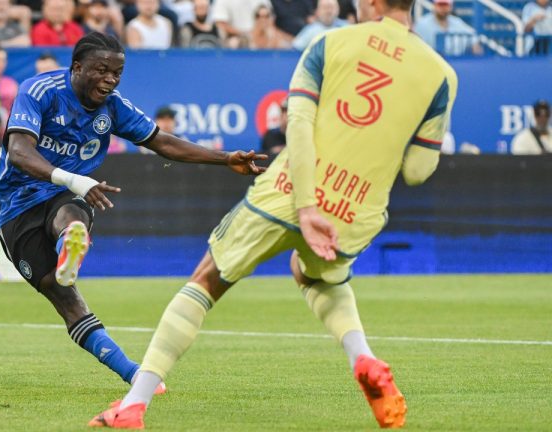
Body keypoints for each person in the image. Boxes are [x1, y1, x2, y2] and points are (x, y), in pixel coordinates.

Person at [89, 0, 458, 425]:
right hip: (356, 208)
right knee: (314, 274)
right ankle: (365, 358)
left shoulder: (331, 42)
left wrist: (306, 206)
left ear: (371, 3)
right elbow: (417, 170)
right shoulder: (441, 75)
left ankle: (134, 405)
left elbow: (296, 126)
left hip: (285, 192)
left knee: (206, 281)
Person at [0, 32, 265, 397]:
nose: (110, 80)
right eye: (101, 70)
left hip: (66, 193)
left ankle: (133, 372)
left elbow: (162, 141)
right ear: (76, 67)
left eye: (117, 73)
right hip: (14, 203)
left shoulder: (114, 107)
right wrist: (77, 178)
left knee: (71, 212)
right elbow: (20, 151)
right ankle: (69, 250)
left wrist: (225, 158)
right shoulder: (40, 91)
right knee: (63, 296)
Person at [413, 0, 481, 56]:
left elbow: (474, 40)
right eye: (440, 5)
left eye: (445, 5)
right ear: (434, 5)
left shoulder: (457, 22)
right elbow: (415, 47)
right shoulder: (422, 24)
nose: (443, 8)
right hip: (431, 64)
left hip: (457, 65)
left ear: (451, 6)